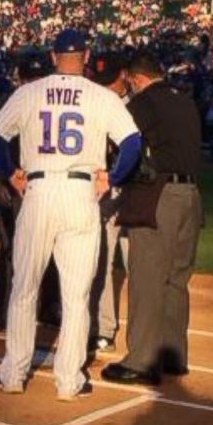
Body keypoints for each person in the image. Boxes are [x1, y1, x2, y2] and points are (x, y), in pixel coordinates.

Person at [0, 29, 141, 401]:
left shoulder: (29, 92)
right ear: (85, 56)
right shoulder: (101, 95)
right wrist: (114, 176)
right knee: (76, 295)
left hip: (38, 190)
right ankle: (69, 381)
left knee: (24, 287)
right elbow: (133, 143)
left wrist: (10, 172)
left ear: (55, 56)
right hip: (80, 191)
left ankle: (12, 374)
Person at [102, 52, 203, 386]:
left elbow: (122, 140)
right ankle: (174, 355)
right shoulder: (184, 100)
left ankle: (143, 361)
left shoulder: (145, 102)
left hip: (160, 194)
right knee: (176, 279)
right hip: (192, 196)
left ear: (136, 77)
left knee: (147, 278)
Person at [0, 52, 52, 334]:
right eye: (30, 78)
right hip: (15, 190)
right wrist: (2, 180)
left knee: (48, 250)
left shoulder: (44, 105)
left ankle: (47, 307)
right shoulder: (12, 106)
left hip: (43, 189)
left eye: (39, 78)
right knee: (13, 252)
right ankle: (3, 312)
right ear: (21, 79)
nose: (34, 83)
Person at [88, 51, 132, 356]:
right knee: (102, 260)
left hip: (136, 195)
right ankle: (104, 328)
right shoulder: (96, 104)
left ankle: (145, 335)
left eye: (111, 80)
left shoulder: (140, 106)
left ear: (125, 74)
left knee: (138, 264)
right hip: (106, 193)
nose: (106, 87)